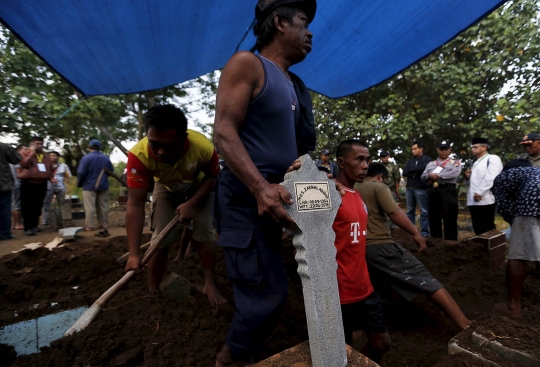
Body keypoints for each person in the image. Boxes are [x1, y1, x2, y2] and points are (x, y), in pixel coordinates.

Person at [213, 0, 317, 364]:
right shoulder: (248, 64)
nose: (310, 31)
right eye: (303, 21)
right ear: (279, 22)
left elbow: (291, 152)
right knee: (265, 297)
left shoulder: (294, 85)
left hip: (273, 201)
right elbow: (224, 133)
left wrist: (316, 174)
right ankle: (229, 360)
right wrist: (259, 186)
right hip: (246, 200)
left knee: (273, 292)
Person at [124, 104, 226, 306]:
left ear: (183, 138)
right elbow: (135, 205)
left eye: (169, 146)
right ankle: (153, 292)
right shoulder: (138, 156)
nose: (160, 152)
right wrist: (134, 253)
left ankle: (209, 284)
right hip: (165, 189)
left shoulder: (203, 148)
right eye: (154, 144)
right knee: (160, 239)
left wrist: (193, 202)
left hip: (198, 188)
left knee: (205, 234)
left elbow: (213, 176)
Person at [356, 163, 471, 330]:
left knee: (376, 289)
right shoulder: (378, 187)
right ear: (381, 177)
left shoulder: (353, 190)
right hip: (382, 246)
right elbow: (394, 213)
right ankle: (464, 323)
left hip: (361, 249)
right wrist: (416, 234)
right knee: (427, 281)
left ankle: (362, 329)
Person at [333, 140, 391, 363]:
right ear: (341, 162)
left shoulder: (356, 195)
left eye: (367, 159)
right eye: (359, 159)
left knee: (382, 342)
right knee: (341, 353)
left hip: (364, 288)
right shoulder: (330, 195)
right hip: (340, 293)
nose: (365, 165)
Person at [492, 159, 540, 318]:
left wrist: (518, 224)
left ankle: (513, 307)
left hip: (533, 201)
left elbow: (505, 207)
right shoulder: (533, 173)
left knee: (518, 255)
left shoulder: (504, 176)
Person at [421, 141, 461, 240]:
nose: (443, 151)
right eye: (441, 149)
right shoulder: (431, 164)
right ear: (437, 150)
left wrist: (438, 175)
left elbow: (454, 174)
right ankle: (436, 242)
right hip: (433, 191)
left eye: (446, 149)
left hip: (448, 190)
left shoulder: (455, 163)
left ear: (450, 150)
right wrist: (429, 175)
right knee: (434, 217)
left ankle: (451, 243)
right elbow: (423, 176)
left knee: (450, 217)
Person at [464, 138, 503, 235]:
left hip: (485, 198)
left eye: (475, 147)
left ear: (484, 147)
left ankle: (492, 248)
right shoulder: (476, 162)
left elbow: (491, 177)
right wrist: (468, 176)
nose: (472, 149)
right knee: (477, 226)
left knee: (487, 227)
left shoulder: (492, 158)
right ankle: (480, 247)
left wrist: (480, 192)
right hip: (474, 199)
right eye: (472, 147)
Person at [77, 139, 114, 237]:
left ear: (90, 147)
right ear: (99, 147)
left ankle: (89, 226)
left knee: (89, 207)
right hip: (103, 185)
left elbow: (81, 172)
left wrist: (81, 182)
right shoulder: (105, 158)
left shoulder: (86, 158)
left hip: (89, 185)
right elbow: (111, 171)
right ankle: (104, 225)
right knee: (103, 206)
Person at [18, 137, 54, 236]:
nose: (39, 145)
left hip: (42, 183)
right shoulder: (26, 153)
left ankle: (34, 225)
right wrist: (32, 153)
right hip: (29, 183)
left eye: (41, 144)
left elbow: (50, 169)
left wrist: (51, 178)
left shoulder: (46, 156)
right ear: (32, 144)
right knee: (28, 206)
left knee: (38, 205)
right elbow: (23, 164)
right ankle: (28, 227)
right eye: (37, 144)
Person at [402, 140, 431, 237]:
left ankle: (424, 232)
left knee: (424, 211)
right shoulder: (410, 161)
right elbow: (404, 172)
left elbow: (424, 169)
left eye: (415, 149)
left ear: (421, 149)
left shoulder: (427, 159)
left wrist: (413, 171)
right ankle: (411, 231)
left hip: (421, 187)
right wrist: (415, 172)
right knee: (410, 211)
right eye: (412, 149)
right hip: (409, 188)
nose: (413, 151)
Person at [42, 151, 72, 225]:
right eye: (50, 155)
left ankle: (62, 218)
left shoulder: (63, 166)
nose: (52, 157)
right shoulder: (45, 165)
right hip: (48, 186)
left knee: (61, 203)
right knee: (46, 203)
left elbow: (68, 176)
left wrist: (64, 184)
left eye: (54, 155)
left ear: (58, 157)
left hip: (60, 186)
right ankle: (45, 220)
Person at [1, 143, 22, 240]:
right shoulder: (4, 147)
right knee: (5, 208)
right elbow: (16, 159)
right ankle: (4, 233)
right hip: (3, 183)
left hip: (4, 184)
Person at [10, 144, 28, 231]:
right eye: (25, 149)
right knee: (17, 205)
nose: (26, 151)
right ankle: (18, 224)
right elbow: (19, 173)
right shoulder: (17, 160)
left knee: (13, 204)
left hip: (11, 184)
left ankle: (14, 224)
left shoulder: (10, 160)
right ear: (19, 150)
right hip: (17, 184)